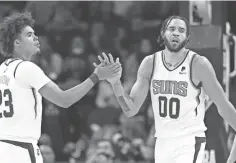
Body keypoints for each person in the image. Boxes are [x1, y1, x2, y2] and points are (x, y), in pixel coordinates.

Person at [100, 15, 236, 163]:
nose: (176, 33)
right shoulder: (149, 64)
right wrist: (115, 84)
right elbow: (130, 110)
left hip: (190, 144)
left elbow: (224, 107)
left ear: (187, 37)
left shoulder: (199, 65)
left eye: (181, 30)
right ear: (163, 34)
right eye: (172, 29)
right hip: (163, 144)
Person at [0, 12, 121, 163]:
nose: (36, 38)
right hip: (22, 149)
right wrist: (96, 76)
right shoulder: (27, 67)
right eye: (29, 35)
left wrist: (3, 145)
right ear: (17, 42)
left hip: (0, 149)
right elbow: (64, 100)